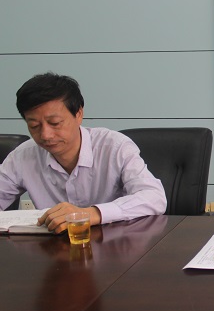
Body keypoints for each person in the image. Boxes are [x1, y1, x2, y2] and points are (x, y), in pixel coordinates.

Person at [0, 73, 167, 233]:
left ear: (79, 114)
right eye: (34, 126)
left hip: (117, 243)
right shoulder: (22, 156)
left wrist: (90, 214)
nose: (45, 135)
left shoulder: (114, 147)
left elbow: (154, 197)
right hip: (53, 248)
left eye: (55, 123)